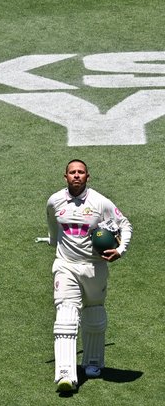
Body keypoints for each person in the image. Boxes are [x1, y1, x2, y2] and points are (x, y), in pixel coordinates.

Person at [44, 159, 132, 393]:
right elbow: (52, 224)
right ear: (65, 177)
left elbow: (125, 225)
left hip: (94, 267)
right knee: (65, 314)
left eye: (80, 172)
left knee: (94, 311)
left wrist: (120, 250)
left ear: (87, 176)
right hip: (65, 265)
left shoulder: (100, 202)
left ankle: (92, 362)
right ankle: (65, 373)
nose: (76, 176)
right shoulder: (54, 201)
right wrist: (54, 242)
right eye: (72, 172)